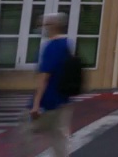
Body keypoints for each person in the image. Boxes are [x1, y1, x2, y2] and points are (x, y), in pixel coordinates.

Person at [29, 13, 73, 157]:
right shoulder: (67, 44)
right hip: (64, 99)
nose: (43, 28)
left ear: (54, 26)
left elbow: (44, 77)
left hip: (49, 101)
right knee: (60, 138)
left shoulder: (51, 47)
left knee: (26, 131)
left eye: (46, 25)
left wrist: (36, 103)